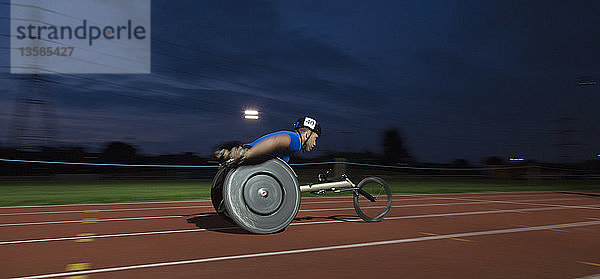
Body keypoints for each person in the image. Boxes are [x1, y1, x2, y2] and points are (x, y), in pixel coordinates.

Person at [215, 116, 321, 164]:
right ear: (307, 134)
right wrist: (247, 154)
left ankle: (226, 154)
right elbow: (275, 141)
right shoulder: (296, 140)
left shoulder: (291, 137)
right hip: (249, 153)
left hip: (248, 150)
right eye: (315, 138)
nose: (315, 144)